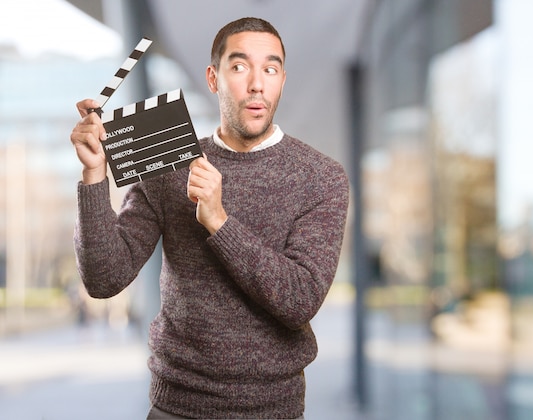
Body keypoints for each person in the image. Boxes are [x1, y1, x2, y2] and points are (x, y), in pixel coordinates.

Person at [69, 17, 349, 419]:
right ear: (213, 78)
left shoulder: (321, 178)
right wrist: (95, 175)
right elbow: (103, 278)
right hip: (175, 406)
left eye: (269, 69)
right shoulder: (167, 165)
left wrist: (219, 221)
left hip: (273, 410)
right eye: (239, 67)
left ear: (282, 81)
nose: (256, 84)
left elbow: (299, 300)